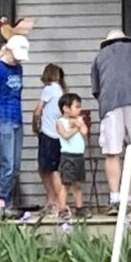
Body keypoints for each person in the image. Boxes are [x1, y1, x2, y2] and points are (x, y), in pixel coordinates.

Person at [90, 28, 131, 215]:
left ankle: (115, 198)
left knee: (112, 151)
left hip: (110, 103)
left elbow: (98, 92)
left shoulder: (99, 57)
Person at [0, 34, 29, 218]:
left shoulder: (18, 69)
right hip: (3, 119)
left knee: (15, 165)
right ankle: (1, 202)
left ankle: (8, 203)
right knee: (7, 164)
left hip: (17, 119)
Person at [22, 64, 66, 222]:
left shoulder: (49, 89)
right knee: (50, 168)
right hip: (58, 135)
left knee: (48, 169)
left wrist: (35, 125)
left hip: (48, 134)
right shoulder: (61, 91)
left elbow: (38, 109)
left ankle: (55, 202)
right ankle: (54, 201)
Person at [55, 92, 89, 227]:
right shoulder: (60, 122)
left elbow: (85, 132)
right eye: (76, 107)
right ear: (66, 108)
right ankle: (62, 208)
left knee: (78, 184)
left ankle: (79, 207)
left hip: (78, 156)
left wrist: (81, 124)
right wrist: (76, 127)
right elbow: (66, 135)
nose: (79, 110)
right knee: (66, 184)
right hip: (68, 156)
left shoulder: (78, 120)